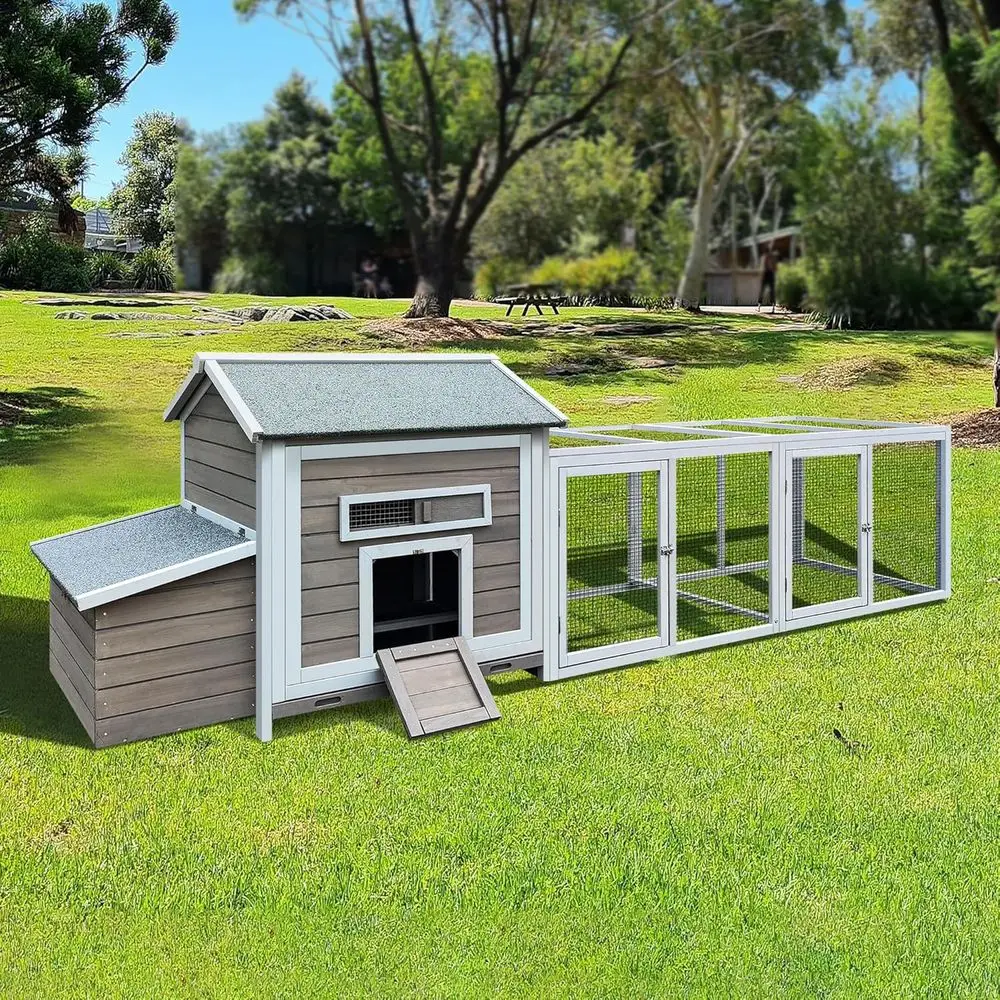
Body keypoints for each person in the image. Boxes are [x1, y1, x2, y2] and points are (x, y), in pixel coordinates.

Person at [757, 244, 779, 312]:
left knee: (763, 290)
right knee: (771, 290)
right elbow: (775, 268)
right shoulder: (772, 257)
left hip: (766, 273)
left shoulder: (765, 257)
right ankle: (773, 307)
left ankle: (759, 306)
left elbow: (763, 267)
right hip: (770, 274)